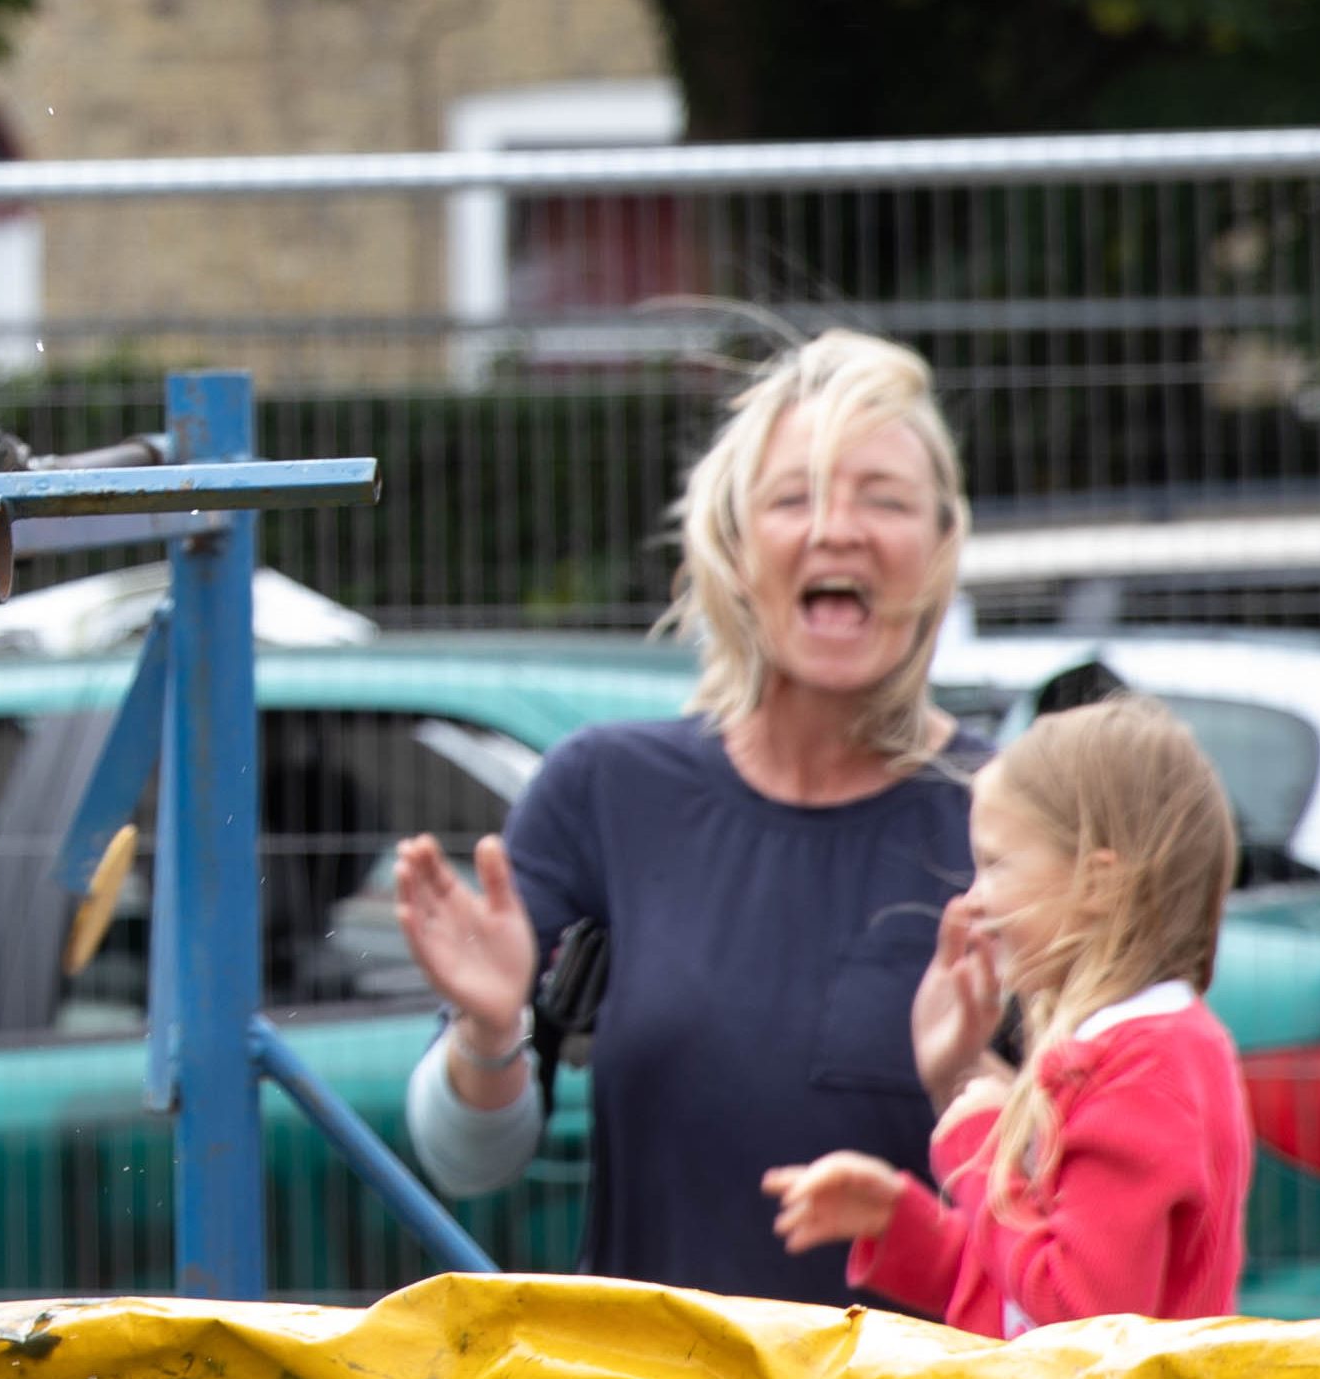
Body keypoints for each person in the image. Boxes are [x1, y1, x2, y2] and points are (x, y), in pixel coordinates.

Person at [384, 331, 980, 1304]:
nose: (838, 530)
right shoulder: (605, 791)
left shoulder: (1009, 819)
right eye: (794, 499)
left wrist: (975, 1078)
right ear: (737, 551)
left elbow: (1067, 1209)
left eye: (885, 498)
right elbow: (467, 1162)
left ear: (941, 546)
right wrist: (490, 1033)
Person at [767, 696, 1253, 1334]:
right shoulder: (1130, 1046)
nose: (973, 899)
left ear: (1098, 885)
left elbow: (1082, 1314)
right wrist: (903, 1225)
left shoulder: (1147, 1063)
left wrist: (983, 1151)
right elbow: (1021, 1297)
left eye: (995, 865)